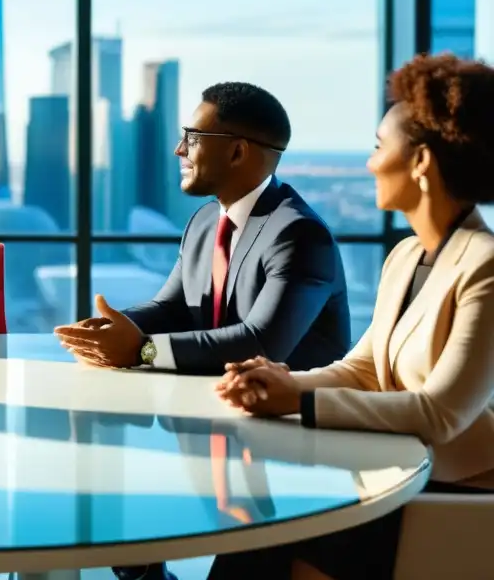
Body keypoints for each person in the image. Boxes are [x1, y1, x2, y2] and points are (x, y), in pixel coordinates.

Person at [214, 53, 494, 580]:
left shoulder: (486, 266)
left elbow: (442, 414)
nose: (368, 164)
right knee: (256, 525)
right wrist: (276, 380)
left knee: (294, 526)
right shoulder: (406, 256)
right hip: (398, 468)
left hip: (461, 481)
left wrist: (298, 399)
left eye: (377, 148)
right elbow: (364, 369)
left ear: (422, 163)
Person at [55, 82, 350, 375]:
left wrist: (143, 350)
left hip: (287, 415)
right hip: (216, 402)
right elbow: (171, 308)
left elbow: (260, 344)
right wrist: (113, 330)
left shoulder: (300, 234)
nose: (179, 149)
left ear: (237, 152)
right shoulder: (204, 221)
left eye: (193, 138)